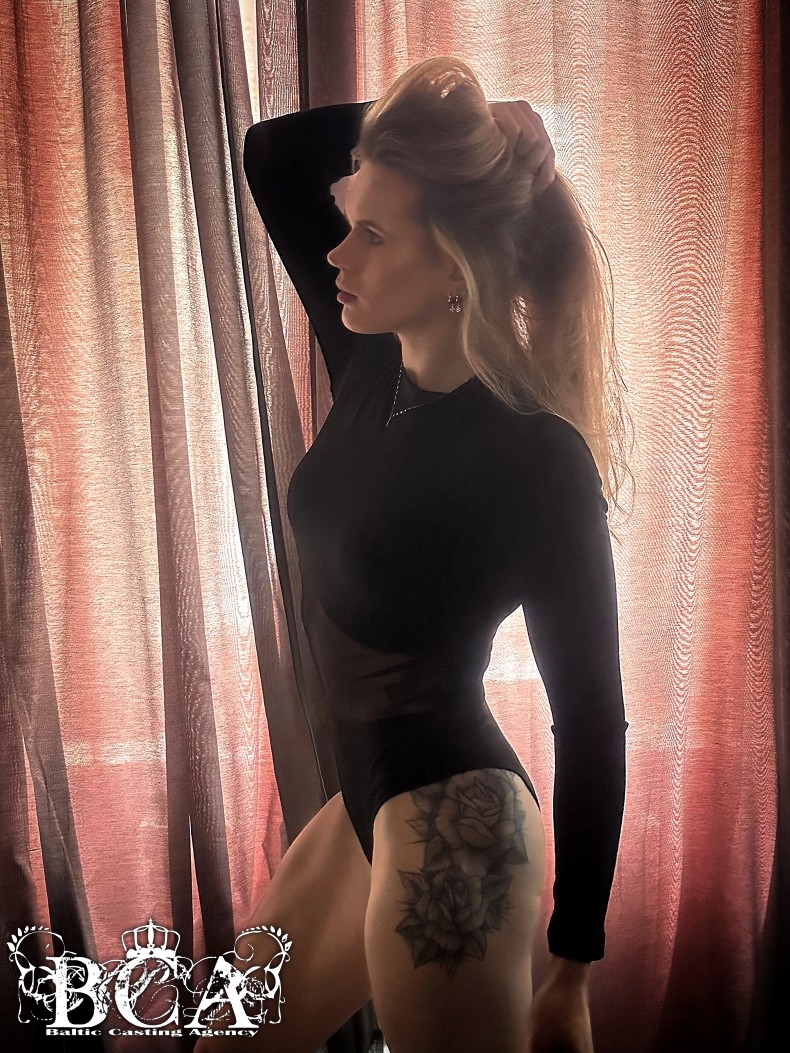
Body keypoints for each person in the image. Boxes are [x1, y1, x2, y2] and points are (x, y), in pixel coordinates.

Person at [196, 56, 630, 1053]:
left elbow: (591, 717)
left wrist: (573, 967)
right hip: (365, 803)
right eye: (353, 225)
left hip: (455, 828)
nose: (337, 253)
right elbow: (276, 154)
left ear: (455, 268)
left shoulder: (537, 457)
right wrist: (480, 129)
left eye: (375, 234)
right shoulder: (369, 362)